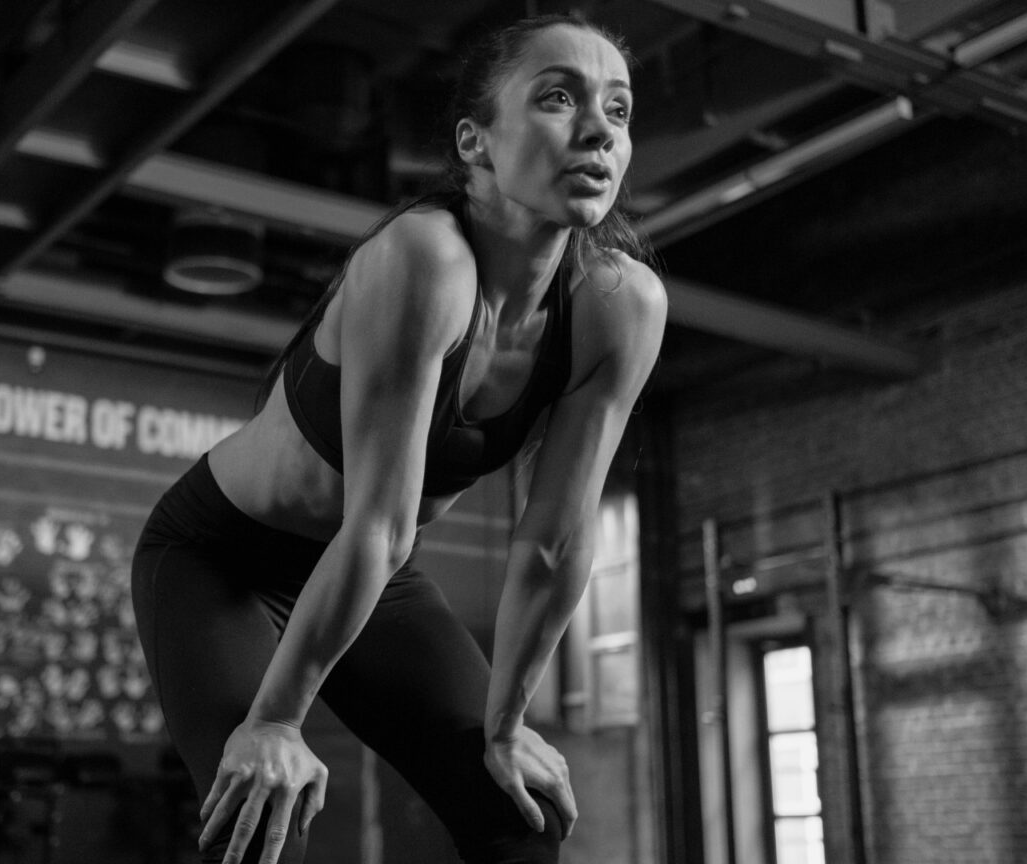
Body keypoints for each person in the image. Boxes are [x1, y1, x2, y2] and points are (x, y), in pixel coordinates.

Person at [131, 13, 667, 864]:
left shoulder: (620, 304)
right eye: (560, 97)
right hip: (222, 559)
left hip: (376, 574)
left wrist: (505, 726)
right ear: (476, 141)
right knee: (260, 820)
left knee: (518, 818)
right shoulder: (426, 258)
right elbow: (374, 522)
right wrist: (273, 721)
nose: (601, 128)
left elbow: (556, 539)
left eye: (620, 108)